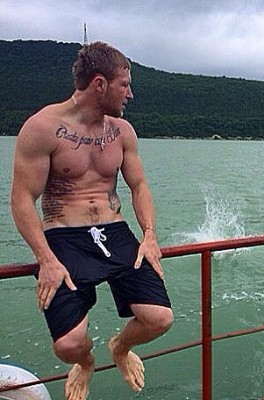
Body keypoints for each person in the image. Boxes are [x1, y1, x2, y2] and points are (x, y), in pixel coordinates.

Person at [11, 41, 173, 400]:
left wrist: (149, 235)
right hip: (64, 236)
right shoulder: (43, 128)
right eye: (124, 85)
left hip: (114, 231)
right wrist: (45, 259)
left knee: (159, 318)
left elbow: (139, 185)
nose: (130, 94)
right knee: (68, 344)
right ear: (99, 84)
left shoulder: (122, 131)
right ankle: (85, 363)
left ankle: (120, 347)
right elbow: (21, 199)